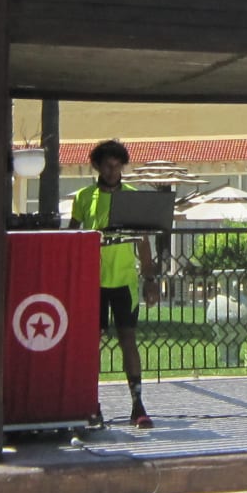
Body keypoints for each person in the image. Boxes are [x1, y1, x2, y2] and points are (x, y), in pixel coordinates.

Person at [70, 139, 156, 428]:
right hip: (91, 282)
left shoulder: (132, 196)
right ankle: (90, 404)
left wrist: (150, 279)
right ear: (97, 166)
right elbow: (72, 238)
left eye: (117, 166)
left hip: (124, 282)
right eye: (107, 166)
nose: (112, 171)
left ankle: (138, 404)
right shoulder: (83, 197)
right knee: (89, 344)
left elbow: (143, 242)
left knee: (128, 340)